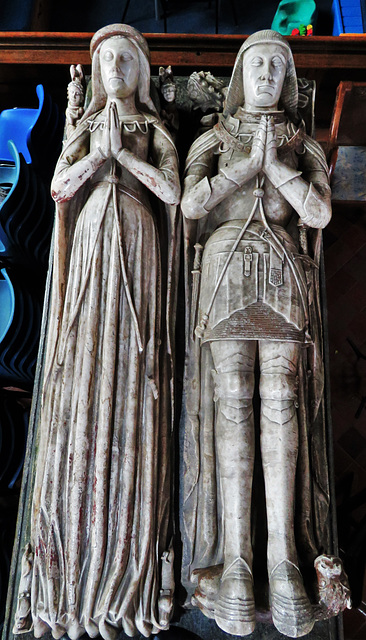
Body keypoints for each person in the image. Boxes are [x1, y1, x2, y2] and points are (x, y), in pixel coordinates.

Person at [13, 23, 180, 640]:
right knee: (83, 375)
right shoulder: (84, 128)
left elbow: (173, 192)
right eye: (105, 59)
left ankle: (129, 573)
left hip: (136, 244)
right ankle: (61, 579)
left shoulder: (154, 131)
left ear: (139, 70)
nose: (114, 69)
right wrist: (95, 153)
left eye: (124, 60)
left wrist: (124, 156)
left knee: (131, 379)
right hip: (88, 253)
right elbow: (58, 187)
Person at [181, 30, 331, 638]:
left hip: (283, 274)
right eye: (258, 63)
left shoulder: (302, 141)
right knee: (232, 411)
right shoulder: (214, 138)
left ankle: (285, 561)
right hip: (225, 273)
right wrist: (251, 165)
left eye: (277, 64)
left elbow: (317, 212)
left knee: (281, 406)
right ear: (242, 74)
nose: (267, 73)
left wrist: (279, 169)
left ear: (288, 79)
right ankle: (238, 564)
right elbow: (191, 206)